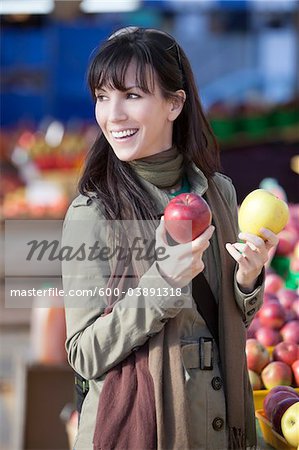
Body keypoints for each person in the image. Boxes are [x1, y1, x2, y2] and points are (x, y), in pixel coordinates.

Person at [61, 27, 278, 450]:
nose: (113, 115)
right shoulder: (93, 213)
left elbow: (226, 321)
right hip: (143, 432)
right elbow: (84, 354)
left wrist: (248, 281)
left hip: (218, 427)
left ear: (174, 103)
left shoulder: (219, 193)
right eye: (103, 97)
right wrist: (162, 284)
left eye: (132, 96)